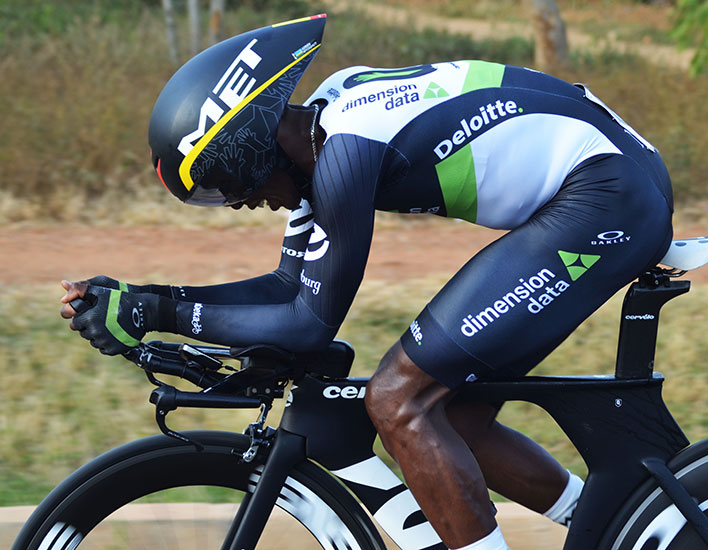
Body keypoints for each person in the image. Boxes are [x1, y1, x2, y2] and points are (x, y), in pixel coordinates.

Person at [60, 14, 673, 550]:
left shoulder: (347, 150)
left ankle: (639, 525)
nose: (240, 205)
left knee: (397, 399)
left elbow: (307, 322)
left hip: (607, 196)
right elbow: (284, 289)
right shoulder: (323, 137)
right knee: (450, 417)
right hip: (606, 183)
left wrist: (156, 312)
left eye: (226, 187)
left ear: (247, 147)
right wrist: (145, 302)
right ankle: (631, 527)